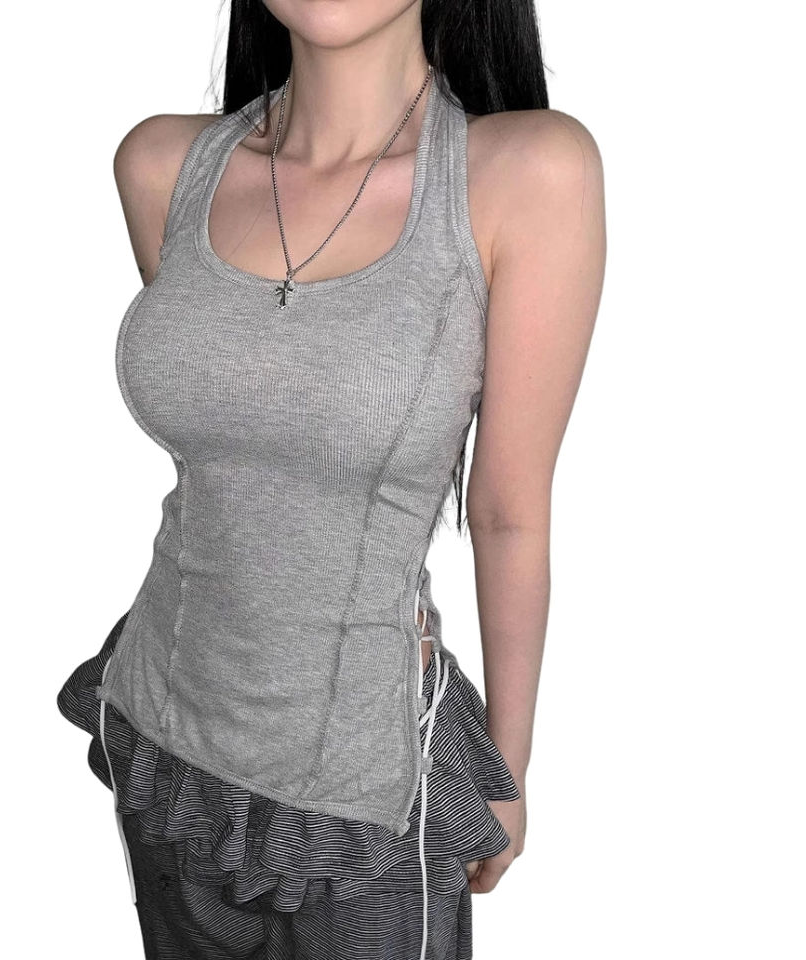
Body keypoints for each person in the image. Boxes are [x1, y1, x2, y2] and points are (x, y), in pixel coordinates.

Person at [57, 1, 605, 957]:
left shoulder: (527, 174)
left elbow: (509, 510)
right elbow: (243, 437)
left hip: (366, 791)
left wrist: (509, 767)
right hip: (161, 737)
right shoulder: (160, 165)